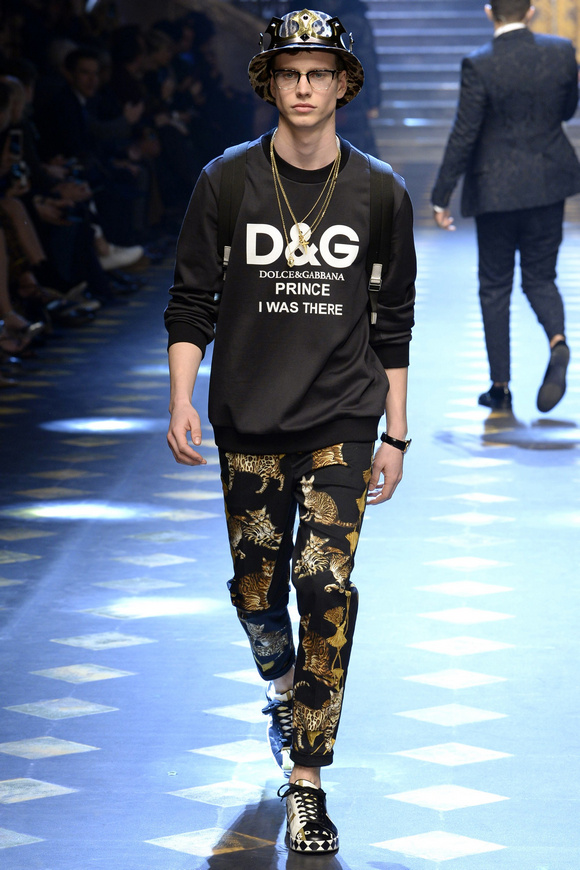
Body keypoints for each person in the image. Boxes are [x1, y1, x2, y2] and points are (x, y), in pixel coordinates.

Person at [165, 8, 415, 855]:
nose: (304, 88)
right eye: (289, 74)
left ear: (343, 83)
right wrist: (182, 397)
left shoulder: (380, 190)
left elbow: (394, 320)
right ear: (269, 83)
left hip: (343, 416)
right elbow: (191, 299)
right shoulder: (226, 181)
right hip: (249, 418)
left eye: (318, 74)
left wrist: (396, 433)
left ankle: (306, 779)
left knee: (325, 581)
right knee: (257, 591)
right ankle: (281, 686)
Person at [431, 0, 580, 413]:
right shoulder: (561, 52)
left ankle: (501, 386)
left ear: (488, 12)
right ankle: (558, 341)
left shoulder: (479, 63)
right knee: (541, 277)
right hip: (548, 182)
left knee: (495, 287)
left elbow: (464, 133)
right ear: (530, 11)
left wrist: (442, 195)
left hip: (495, 189)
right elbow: (568, 110)